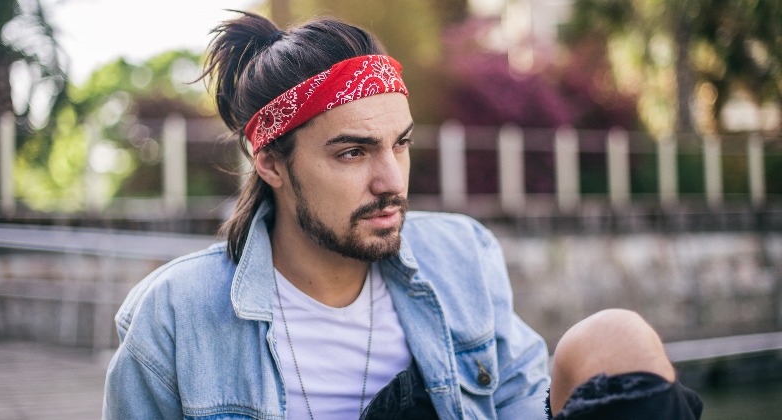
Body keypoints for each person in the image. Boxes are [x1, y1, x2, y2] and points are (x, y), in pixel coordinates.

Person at [103, 12, 703, 420]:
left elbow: (521, 401)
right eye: (353, 152)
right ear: (271, 164)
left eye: (401, 144)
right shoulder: (175, 316)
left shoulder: (463, 255)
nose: (391, 182)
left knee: (614, 336)